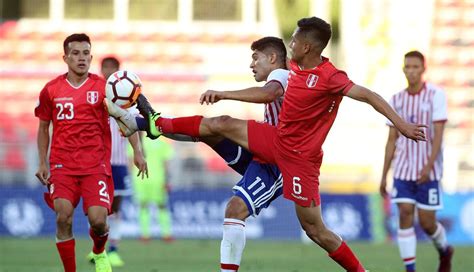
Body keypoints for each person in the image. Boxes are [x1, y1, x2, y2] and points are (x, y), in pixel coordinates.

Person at [119, 17, 426, 272]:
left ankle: (361, 271)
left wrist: (401, 124)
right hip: (273, 141)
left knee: (315, 230)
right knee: (218, 125)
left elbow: (366, 95)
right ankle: (149, 123)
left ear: (306, 46)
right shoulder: (293, 69)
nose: (290, 43)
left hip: (297, 161)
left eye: (293, 40)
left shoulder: (323, 76)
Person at [164, 36, 288, 271]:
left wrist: (224, 94)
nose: (252, 65)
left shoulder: (280, 75)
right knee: (213, 130)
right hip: (263, 153)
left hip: (277, 161)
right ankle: (153, 125)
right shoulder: (284, 77)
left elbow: (269, 93)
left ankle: (153, 124)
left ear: (272, 58)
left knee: (236, 208)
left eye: (255, 58)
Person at [35, 33, 113, 272]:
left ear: (91, 56)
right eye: (76, 53)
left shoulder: (103, 88)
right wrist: (42, 162)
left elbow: (124, 119)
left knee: (99, 222)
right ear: (65, 57)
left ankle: (99, 252)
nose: (82, 58)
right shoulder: (51, 90)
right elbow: (43, 127)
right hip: (62, 165)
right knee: (63, 217)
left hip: (95, 165)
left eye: (86, 53)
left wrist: (138, 151)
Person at [379, 50, 453, 272]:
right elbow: (391, 139)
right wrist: (384, 175)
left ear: (423, 69)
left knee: (428, 222)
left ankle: (445, 250)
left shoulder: (435, 96)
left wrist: (429, 166)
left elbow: (438, 134)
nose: (411, 71)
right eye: (407, 67)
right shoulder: (396, 100)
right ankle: (410, 269)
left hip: (428, 171)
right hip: (402, 170)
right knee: (404, 213)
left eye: (415, 67)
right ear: (403, 69)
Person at [87, 56, 148, 267]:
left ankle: (112, 249)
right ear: (101, 69)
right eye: (105, 67)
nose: (108, 71)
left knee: (116, 208)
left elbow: (132, 127)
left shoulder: (125, 99)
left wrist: (139, 153)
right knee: (98, 209)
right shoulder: (93, 96)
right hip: (97, 162)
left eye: (112, 68)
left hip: (119, 163)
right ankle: (98, 248)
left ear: (117, 72)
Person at [132, 136, 175, 242]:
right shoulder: (162, 143)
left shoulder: (137, 143)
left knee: (143, 206)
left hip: (140, 178)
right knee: (162, 206)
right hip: (158, 179)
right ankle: (166, 234)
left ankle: (145, 235)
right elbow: (166, 163)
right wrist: (167, 179)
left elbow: (130, 161)